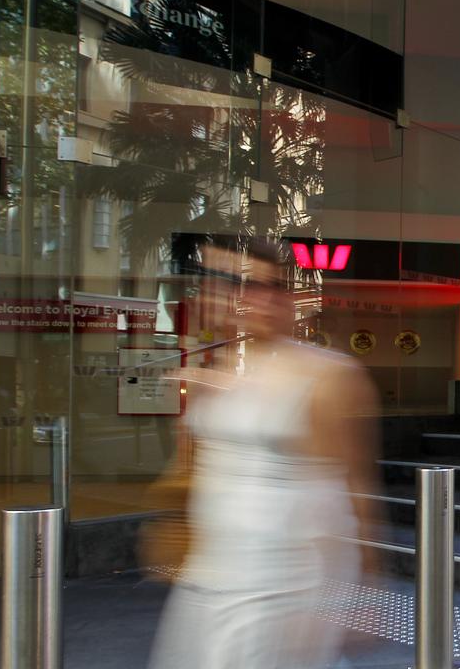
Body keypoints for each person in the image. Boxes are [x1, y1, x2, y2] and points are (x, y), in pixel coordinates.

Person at [148, 239, 381, 669]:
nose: (248, 298)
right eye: (229, 284)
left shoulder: (328, 376)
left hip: (285, 588)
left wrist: (361, 593)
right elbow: (194, 476)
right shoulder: (206, 378)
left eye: (263, 286)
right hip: (211, 579)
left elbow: (356, 488)